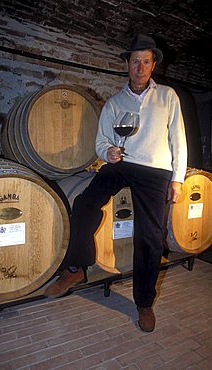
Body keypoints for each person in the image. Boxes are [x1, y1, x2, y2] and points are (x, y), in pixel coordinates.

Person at [44, 34, 187, 332]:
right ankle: (76, 267)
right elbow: (101, 142)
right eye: (135, 61)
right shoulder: (114, 102)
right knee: (84, 204)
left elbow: (178, 140)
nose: (140, 67)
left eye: (146, 61)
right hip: (122, 165)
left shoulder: (167, 97)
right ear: (127, 65)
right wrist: (107, 152)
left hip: (155, 171)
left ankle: (144, 303)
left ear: (153, 65)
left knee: (149, 236)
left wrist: (178, 179)